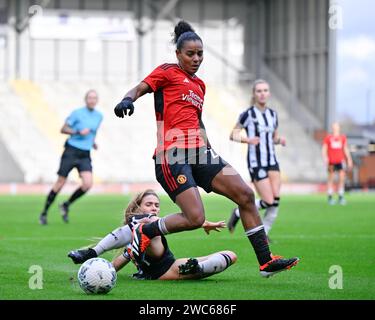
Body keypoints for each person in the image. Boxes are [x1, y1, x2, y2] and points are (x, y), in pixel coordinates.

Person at [113, 20, 299, 278]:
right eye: (190, 53)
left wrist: (210, 149)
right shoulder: (166, 71)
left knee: (245, 194)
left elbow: (197, 120)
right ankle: (146, 230)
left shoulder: (200, 86)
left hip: (201, 153)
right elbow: (141, 87)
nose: (196, 58)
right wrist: (126, 99)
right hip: (172, 154)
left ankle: (265, 261)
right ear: (178, 54)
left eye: (200, 53)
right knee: (195, 218)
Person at [68, 190, 236, 280]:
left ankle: (197, 268)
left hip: (172, 266)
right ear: (137, 207)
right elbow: (113, 268)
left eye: (157, 205)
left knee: (231, 255)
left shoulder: (144, 226)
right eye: (149, 204)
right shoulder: (137, 228)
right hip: (165, 271)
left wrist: (203, 223)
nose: (154, 207)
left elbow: (164, 221)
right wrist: (101, 274)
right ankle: (94, 252)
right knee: (145, 226)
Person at [227, 79, 285, 241]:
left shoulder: (273, 115)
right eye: (259, 91)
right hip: (256, 162)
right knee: (267, 201)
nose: (262, 93)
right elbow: (233, 134)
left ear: (269, 93)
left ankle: (264, 234)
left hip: (272, 161)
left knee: (276, 201)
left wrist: (280, 141)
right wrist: (248, 140)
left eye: (265, 90)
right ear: (254, 94)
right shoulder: (248, 114)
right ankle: (238, 212)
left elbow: (274, 137)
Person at [39, 90, 103, 225]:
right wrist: (77, 131)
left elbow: (93, 132)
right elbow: (63, 129)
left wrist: (93, 142)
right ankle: (44, 212)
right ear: (86, 100)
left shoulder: (99, 116)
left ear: (97, 100)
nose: (92, 100)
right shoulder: (77, 113)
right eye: (90, 98)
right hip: (71, 150)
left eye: (94, 98)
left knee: (87, 184)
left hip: (85, 153)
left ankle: (66, 204)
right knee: (60, 182)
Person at [322, 122, 353, 205]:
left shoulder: (342, 138)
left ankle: (341, 196)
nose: (335, 128)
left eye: (336, 127)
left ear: (339, 128)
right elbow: (324, 149)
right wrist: (325, 158)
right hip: (331, 162)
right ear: (332, 128)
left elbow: (345, 149)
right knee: (330, 178)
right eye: (333, 127)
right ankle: (330, 197)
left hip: (340, 161)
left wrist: (349, 159)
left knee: (342, 178)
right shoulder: (328, 138)